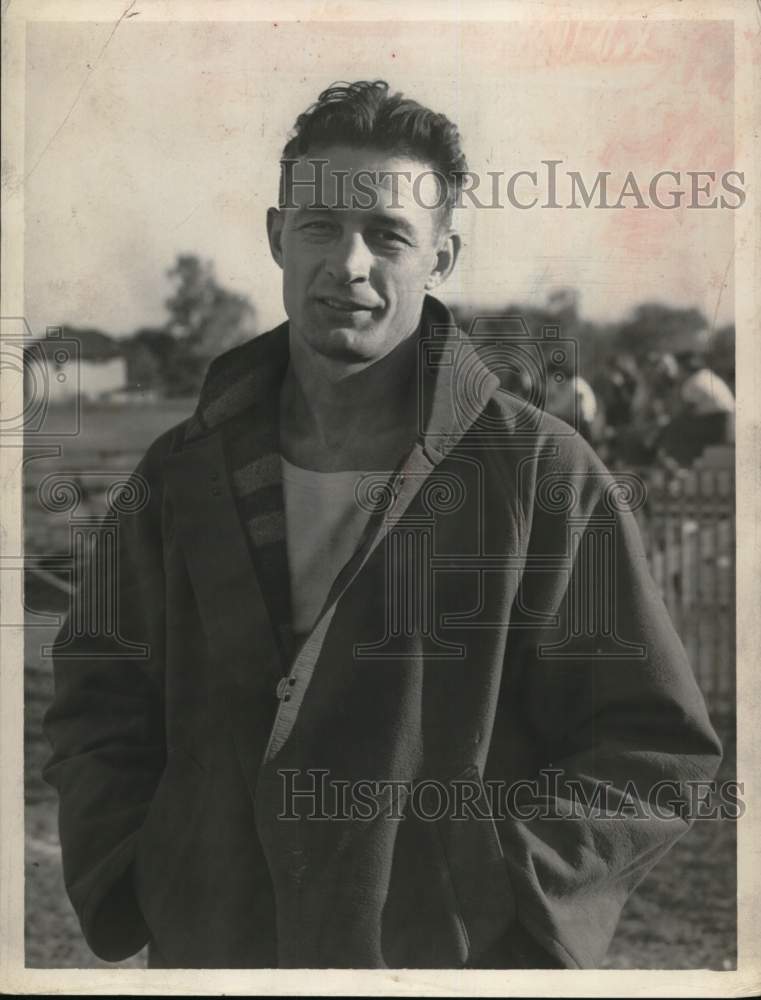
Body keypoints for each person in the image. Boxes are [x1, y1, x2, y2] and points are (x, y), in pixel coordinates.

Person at [43, 80, 722, 971]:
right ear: (276, 235)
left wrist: (496, 888)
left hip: (443, 965)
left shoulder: (541, 476)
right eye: (321, 226)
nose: (349, 264)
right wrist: (147, 863)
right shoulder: (181, 471)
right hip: (215, 953)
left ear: (440, 258)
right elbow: (99, 694)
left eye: (388, 235)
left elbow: (651, 743)